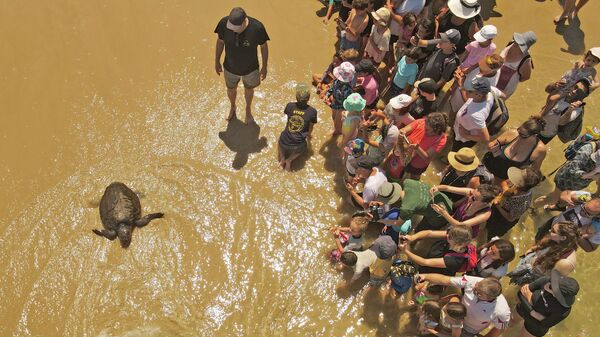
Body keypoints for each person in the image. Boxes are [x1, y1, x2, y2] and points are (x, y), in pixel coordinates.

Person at [214, 7, 269, 124]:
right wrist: (216, 61)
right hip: (229, 67)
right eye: (231, 28)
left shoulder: (257, 28)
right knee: (231, 89)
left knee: (249, 89)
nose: (233, 31)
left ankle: (248, 110)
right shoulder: (224, 23)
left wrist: (264, 67)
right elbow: (220, 41)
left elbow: (263, 47)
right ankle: (233, 106)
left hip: (251, 69)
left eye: (236, 28)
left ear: (245, 21)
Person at [416, 274, 511, 337]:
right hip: (454, 312)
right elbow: (446, 280)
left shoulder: (501, 311)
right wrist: (425, 276)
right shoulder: (473, 282)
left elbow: (499, 329)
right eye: (476, 286)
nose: (473, 289)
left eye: (478, 292)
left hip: (468, 329)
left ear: (489, 298)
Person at [535, 137, 600, 209]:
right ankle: (532, 207)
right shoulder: (586, 150)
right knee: (552, 199)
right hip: (565, 180)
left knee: (562, 200)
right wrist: (592, 176)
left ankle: (550, 207)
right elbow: (572, 170)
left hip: (577, 185)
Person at [508, 221, 579, 285]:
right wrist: (530, 251)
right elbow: (539, 245)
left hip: (534, 278)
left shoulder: (566, 263)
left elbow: (553, 282)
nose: (549, 230)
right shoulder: (553, 238)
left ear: (563, 238)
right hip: (528, 262)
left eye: (553, 231)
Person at [515, 269, 579, 337]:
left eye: (552, 287)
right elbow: (520, 293)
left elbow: (545, 323)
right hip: (523, 309)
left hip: (535, 326)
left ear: (557, 296)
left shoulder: (564, 310)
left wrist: (530, 299)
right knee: (512, 321)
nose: (548, 284)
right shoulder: (547, 280)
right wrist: (535, 313)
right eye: (553, 282)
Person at [482, 116, 547, 182]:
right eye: (519, 132)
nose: (519, 136)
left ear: (535, 135)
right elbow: (492, 144)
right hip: (486, 167)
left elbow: (533, 172)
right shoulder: (512, 133)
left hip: (504, 181)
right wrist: (491, 146)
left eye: (523, 136)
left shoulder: (540, 150)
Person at [485, 167, 543, 240]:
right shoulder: (516, 182)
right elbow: (504, 182)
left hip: (502, 220)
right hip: (498, 205)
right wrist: (506, 190)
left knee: (490, 234)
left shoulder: (523, 202)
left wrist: (498, 205)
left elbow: (511, 218)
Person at [374, 179, 454, 231]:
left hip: (440, 216)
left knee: (419, 230)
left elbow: (398, 223)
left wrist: (381, 220)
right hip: (446, 201)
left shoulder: (406, 208)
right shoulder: (408, 182)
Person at [399, 225, 476, 275]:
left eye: (449, 237)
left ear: (458, 244)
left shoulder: (454, 260)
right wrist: (413, 237)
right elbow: (429, 233)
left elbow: (424, 262)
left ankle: (421, 299)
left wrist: (405, 251)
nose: (447, 235)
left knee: (422, 289)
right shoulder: (454, 236)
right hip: (439, 254)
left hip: (438, 272)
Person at [429, 184, 500, 238]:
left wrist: (444, 213)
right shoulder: (473, 193)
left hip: (463, 233)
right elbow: (448, 188)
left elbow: (459, 225)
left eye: (474, 199)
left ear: (484, 203)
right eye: (471, 194)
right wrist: (437, 187)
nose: (470, 197)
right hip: (454, 221)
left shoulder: (485, 214)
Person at [451, 77, 500, 151]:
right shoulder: (491, 91)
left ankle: (449, 161)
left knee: (456, 153)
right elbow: (503, 95)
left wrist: (466, 135)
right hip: (460, 131)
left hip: (463, 140)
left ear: (479, 95)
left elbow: (486, 138)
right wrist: (461, 86)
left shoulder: (476, 116)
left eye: (470, 91)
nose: (466, 90)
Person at [278, 84, 318, 171]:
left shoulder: (289, 106)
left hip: (284, 141)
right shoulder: (312, 111)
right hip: (297, 145)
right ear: (308, 98)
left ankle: (282, 158)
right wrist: (309, 135)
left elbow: (289, 116)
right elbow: (311, 126)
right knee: (304, 147)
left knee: (281, 137)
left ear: (296, 97)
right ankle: (289, 160)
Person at [536, 198, 600, 252]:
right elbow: (564, 195)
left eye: (587, 214)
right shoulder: (583, 198)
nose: (582, 213)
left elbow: (590, 248)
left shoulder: (597, 229)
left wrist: (577, 234)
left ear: (598, 216)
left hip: (561, 243)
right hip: (551, 224)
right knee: (538, 238)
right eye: (583, 208)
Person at [539, 79, 591, 144]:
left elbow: (561, 122)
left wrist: (571, 108)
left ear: (582, 96)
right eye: (575, 87)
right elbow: (547, 90)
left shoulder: (577, 109)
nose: (574, 91)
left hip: (546, 134)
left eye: (579, 92)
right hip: (537, 122)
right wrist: (554, 85)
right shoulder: (564, 92)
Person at [400, 112, 449, 180]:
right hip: (404, 155)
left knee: (414, 179)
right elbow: (404, 130)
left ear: (436, 131)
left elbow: (427, 158)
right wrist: (402, 132)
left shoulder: (441, 140)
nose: (424, 129)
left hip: (417, 165)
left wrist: (417, 148)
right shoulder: (422, 122)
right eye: (425, 126)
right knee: (399, 172)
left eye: (427, 130)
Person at [495, 31, 536, 99]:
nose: (515, 44)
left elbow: (526, 77)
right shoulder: (511, 42)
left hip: (505, 88)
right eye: (517, 42)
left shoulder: (526, 60)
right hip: (493, 78)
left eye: (520, 44)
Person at [326, 61, 356, 135]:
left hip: (341, 106)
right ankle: (338, 126)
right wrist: (328, 94)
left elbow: (346, 101)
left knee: (337, 119)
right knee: (333, 116)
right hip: (335, 102)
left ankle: (337, 131)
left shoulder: (347, 89)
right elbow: (332, 87)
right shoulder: (336, 80)